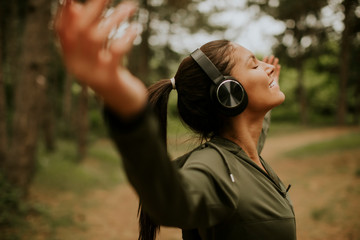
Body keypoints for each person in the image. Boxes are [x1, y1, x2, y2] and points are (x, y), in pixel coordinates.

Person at [55, 1, 296, 240]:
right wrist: (129, 112)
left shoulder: (245, 155)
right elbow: (172, 202)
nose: (268, 68)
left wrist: (263, 99)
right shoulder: (215, 169)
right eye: (254, 64)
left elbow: (252, 135)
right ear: (228, 93)